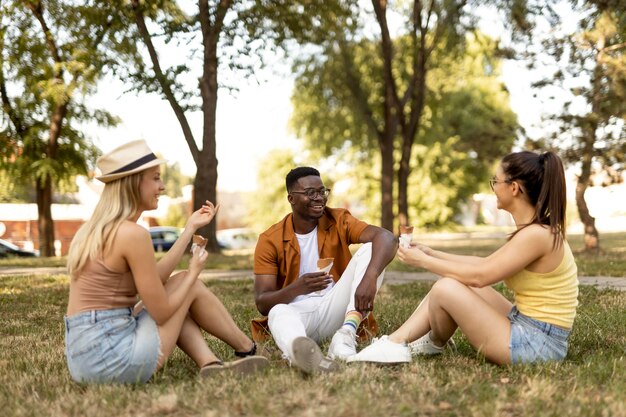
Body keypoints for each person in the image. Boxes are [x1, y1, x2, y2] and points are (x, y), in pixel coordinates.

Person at [64, 139, 267, 384]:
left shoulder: (95, 230)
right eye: (156, 178)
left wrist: (189, 228)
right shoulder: (132, 234)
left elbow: (154, 280)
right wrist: (193, 273)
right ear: (134, 182)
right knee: (186, 284)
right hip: (114, 360)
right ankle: (248, 348)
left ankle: (210, 363)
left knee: (178, 282)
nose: (162, 186)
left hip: (84, 360)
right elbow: (161, 313)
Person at [349, 150, 578, 365]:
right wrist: (431, 253)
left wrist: (423, 262)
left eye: (495, 182)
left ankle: (394, 344)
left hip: (537, 345)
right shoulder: (535, 232)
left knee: (446, 287)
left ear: (514, 188)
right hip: (528, 326)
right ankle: (428, 343)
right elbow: (485, 264)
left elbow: (480, 276)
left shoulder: (536, 235)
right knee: (454, 283)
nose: (493, 188)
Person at [252, 167, 397, 374]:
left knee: (372, 248)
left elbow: (387, 238)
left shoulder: (337, 220)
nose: (319, 198)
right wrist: (298, 288)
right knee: (277, 312)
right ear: (291, 198)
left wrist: (370, 278)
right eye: (311, 193)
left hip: (337, 307)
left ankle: (345, 336)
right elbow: (263, 303)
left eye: (322, 191)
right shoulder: (270, 239)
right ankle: (301, 352)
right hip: (299, 315)